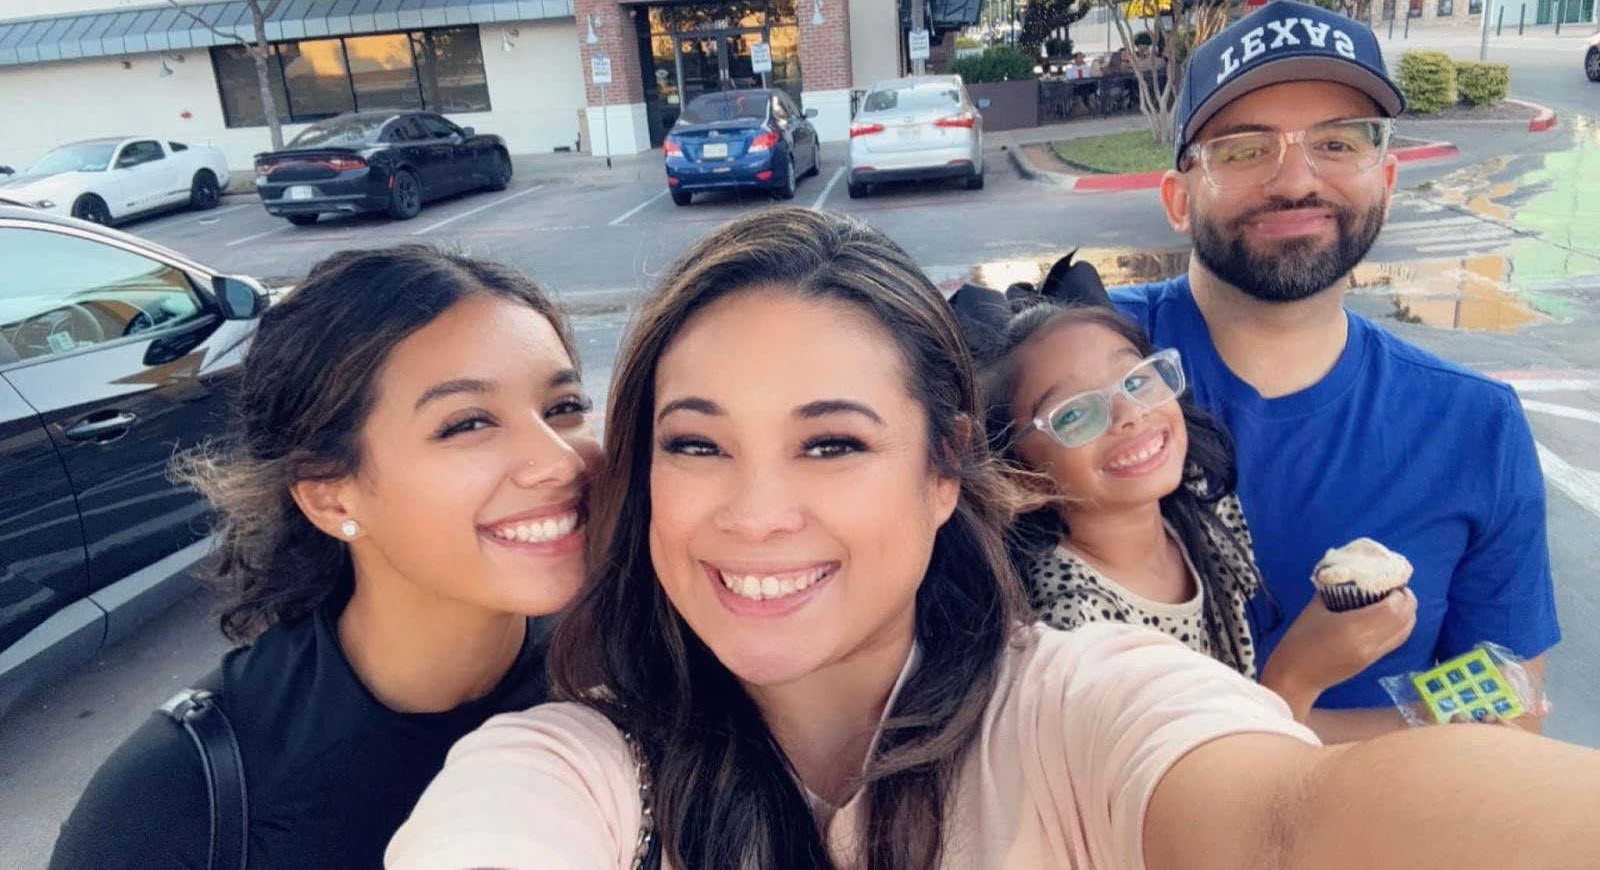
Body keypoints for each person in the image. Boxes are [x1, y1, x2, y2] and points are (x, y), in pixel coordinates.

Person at [387, 208, 1600, 870]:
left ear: (941, 473)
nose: (753, 513)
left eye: (832, 444)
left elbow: (1291, 820)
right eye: (696, 445)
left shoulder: (1078, 705)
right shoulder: (568, 767)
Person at [51, 244, 601, 869]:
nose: (560, 460)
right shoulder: (176, 804)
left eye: (564, 408)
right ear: (327, 495)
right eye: (468, 423)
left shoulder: (633, 674)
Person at [1113, 0, 1559, 742]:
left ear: (1385, 175)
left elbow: (1506, 724)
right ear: (1178, 198)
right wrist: (1302, 698)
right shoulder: (1078, 368)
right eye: (1245, 149)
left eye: (1339, 142)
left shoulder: (1474, 427)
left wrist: (1291, 716)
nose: (1296, 181)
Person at [955, 263, 1417, 737]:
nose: (1128, 414)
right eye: (1075, 413)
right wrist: (1297, 676)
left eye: (1135, 381)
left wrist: (1422, 722)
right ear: (1020, 479)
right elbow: (1221, 791)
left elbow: (1241, 718)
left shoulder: (1199, 509)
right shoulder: (1074, 631)